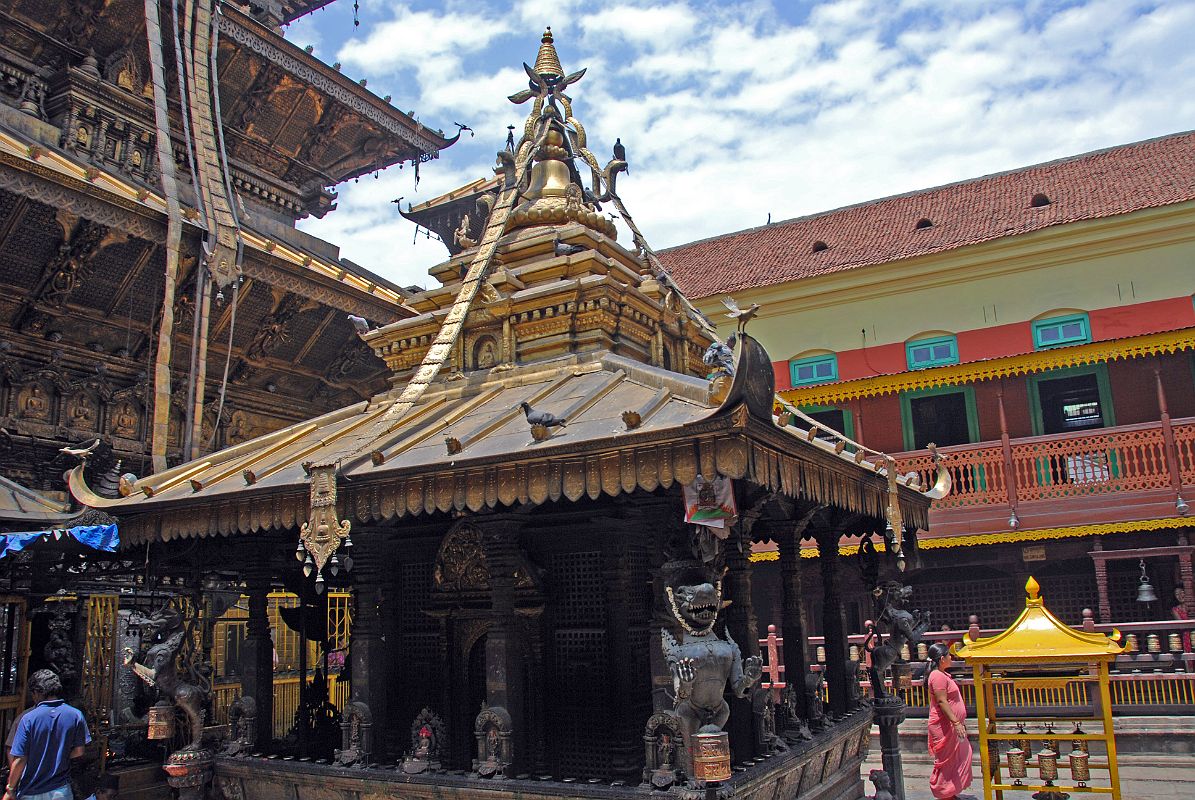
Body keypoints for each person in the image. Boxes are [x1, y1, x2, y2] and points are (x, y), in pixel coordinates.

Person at [5, 669, 90, 800]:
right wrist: (60, 757)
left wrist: (11, 788)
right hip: (61, 790)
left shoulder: (28, 719)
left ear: (36, 693)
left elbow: (20, 759)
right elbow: (79, 751)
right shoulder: (75, 715)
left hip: (31, 791)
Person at [926, 643, 973, 800]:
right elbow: (942, 701)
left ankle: (950, 791)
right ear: (942, 658)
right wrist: (956, 722)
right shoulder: (937, 676)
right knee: (946, 760)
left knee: (962, 753)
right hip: (944, 725)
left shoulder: (942, 674)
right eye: (949, 655)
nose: (951, 657)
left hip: (952, 724)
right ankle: (943, 793)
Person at [1171, 587, 1191, 653]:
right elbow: (1181, 625)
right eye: (1177, 594)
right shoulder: (1175, 610)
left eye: (1182, 592)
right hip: (1186, 636)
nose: (1180, 596)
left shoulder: (1191, 607)